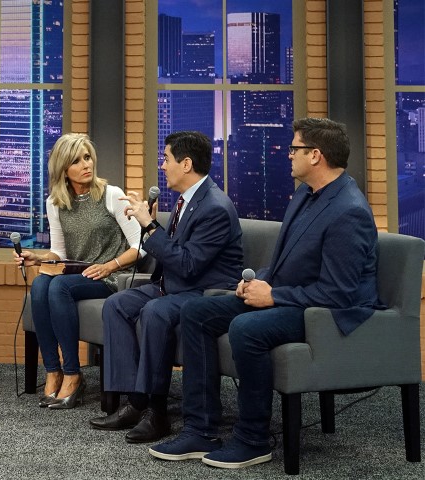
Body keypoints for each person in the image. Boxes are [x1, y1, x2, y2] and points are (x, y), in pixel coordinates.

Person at [149, 118, 380, 469]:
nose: (288, 155)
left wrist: (274, 296)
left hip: (329, 311)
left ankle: (253, 439)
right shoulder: (306, 193)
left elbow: (338, 293)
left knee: (247, 329)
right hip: (296, 294)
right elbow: (285, 260)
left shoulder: (348, 211)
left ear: (316, 155)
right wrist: (257, 280)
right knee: (196, 312)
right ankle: (200, 428)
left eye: (294, 149)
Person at [89, 131, 244, 443]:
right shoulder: (186, 201)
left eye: (167, 159)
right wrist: (151, 223)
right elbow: (174, 253)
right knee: (117, 304)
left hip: (204, 292)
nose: (162, 166)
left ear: (186, 164)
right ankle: (134, 401)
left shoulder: (214, 206)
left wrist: (148, 225)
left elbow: (189, 265)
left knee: (155, 312)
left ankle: (156, 412)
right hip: (175, 285)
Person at [14, 133, 142, 410]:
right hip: (78, 274)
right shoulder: (56, 202)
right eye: (77, 160)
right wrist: (37, 258)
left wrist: (110, 265)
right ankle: (52, 370)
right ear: (63, 169)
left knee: (58, 286)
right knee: (39, 285)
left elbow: (139, 246)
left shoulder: (111, 195)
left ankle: (73, 373)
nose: (86, 164)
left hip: (110, 276)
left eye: (87, 157)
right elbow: (60, 252)